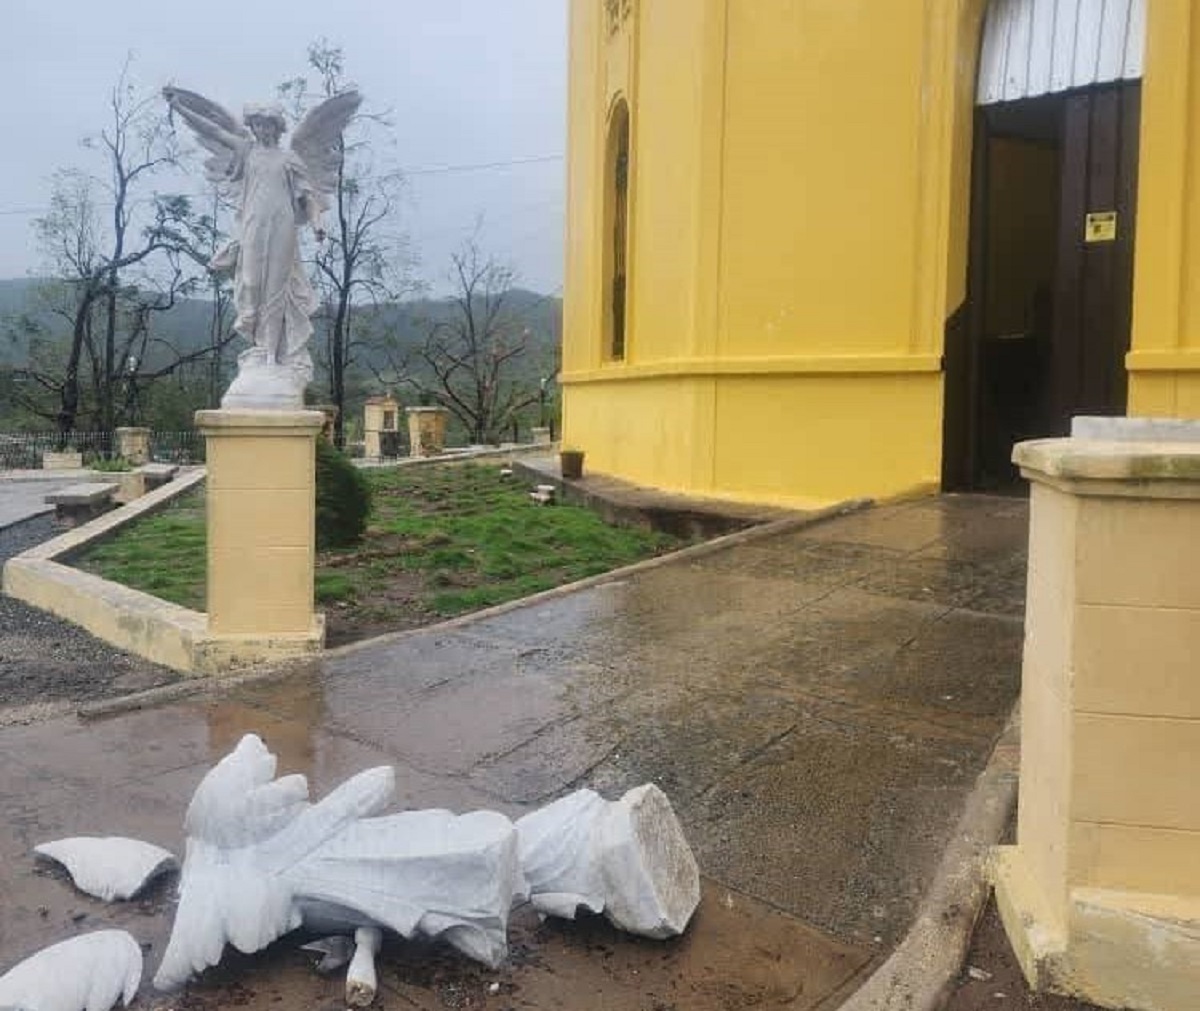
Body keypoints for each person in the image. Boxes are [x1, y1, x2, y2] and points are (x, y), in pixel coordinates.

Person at [163, 86, 360, 408]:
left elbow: (307, 195)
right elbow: (212, 129)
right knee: (251, 284)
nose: (262, 129)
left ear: (277, 126)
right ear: (252, 126)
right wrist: (181, 108)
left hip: (282, 226)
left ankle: (271, 356)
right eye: (257, 124)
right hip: (253, 224)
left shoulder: (290, 157)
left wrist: (317, 223)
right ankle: (257, 346)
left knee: (276, 290)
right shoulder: (245, 149)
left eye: (267, 124)